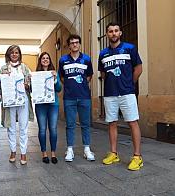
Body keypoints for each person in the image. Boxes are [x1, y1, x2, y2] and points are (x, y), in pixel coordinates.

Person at [98, 22, 143, 171]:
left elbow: (138, 68)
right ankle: (114, 153)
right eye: (110, 31)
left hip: (127, 93)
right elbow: (103, 74)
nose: (113, 33)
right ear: (107, 34)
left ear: (120, 33)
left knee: (132, 122)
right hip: (110, 94)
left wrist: (129, 83)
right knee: (112, 123)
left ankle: (137, 157)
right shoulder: (102, 54)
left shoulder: (130, 48)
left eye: (116, 31)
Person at [58, 34, 95, 162]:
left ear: (79, 44)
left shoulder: (86, 59)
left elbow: (89, 76)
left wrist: (82, 85)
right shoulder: (63, 60)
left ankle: (87, 149)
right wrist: (70, 85)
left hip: (84, 96)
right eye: (72, 42)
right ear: (69, 45)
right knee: (70, 124)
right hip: (69, 97)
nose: (75, 44)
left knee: (85, 124)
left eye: (77, 42)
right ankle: (70, 150)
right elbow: (62, 78)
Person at [0, 45, 34, 165]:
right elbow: (0, 85)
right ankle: (13, 151)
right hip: (9, 101)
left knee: (23, 127)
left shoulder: (25, 68)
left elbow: (31, 84)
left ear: (19, 54)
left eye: (16, 53)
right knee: (11, 127)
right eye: (12, 53)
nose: (14, 54)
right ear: (8, 54)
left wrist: (27, 85)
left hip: (22, 99)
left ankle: (23, 152)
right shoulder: (3, 68)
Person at [35, 52, 62, 164]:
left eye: (47, 58)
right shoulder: (36, 74)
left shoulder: (54, 73)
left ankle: (53, 153)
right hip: (40, 105)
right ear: (40, 60)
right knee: (42, 129)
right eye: (43, 58)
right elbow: (33, 89)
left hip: (53, 104)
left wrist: (55, 79)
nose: (45, 60)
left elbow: (59, 88)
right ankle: (44, 153)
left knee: (53, 129)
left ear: (50, 60)